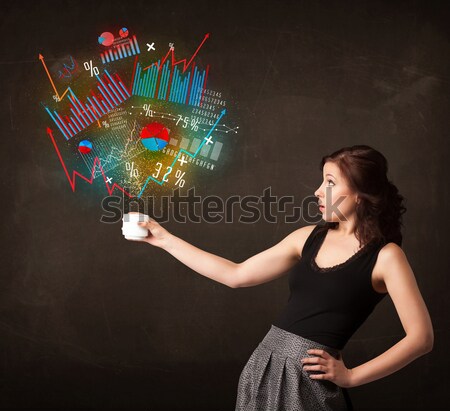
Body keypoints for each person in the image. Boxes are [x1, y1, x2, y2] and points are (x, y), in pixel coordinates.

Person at [126, 144, 434, 411]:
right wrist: (164, 239)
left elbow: (421, 339)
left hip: (308, 384)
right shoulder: (307, 237)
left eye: (329, 182)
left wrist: (351, 376)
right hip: (263, 367)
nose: (317, 191)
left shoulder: (386, 256)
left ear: (360, 194)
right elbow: (236, 274)